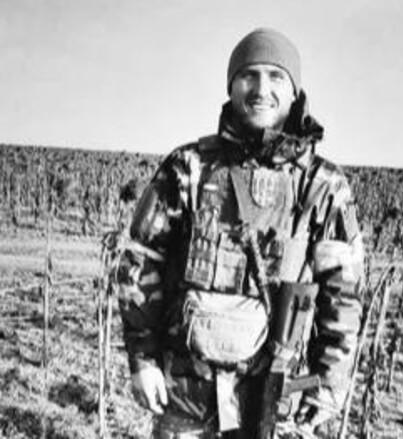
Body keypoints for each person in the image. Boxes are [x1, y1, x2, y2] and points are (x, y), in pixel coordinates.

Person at [113, 28, 364, 438]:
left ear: (295, 90)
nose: (261, 89)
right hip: (185, 394)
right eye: (248, 75)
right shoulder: (188, 167)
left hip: (276, 400)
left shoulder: (323, 187)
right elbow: (141, 263)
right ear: (231, 86)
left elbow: (343, 294)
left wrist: (329, 383)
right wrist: (142, 359)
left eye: (276, 76)